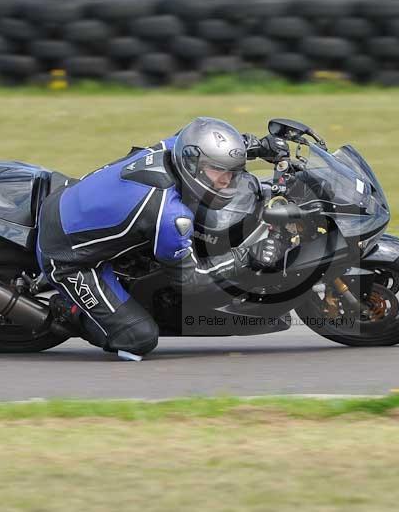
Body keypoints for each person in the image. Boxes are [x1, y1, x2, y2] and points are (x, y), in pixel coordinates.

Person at [35, 117, 287, 361]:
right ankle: (66, 311)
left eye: (231, 171)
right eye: (218, 171)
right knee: (137, 339)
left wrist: (254, 146)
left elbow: (202, 142)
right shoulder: (169, 216)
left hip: (71, 198)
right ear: (194, 166)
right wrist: (247, 256)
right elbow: (192, 280)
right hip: (67, 255)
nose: (227, 179)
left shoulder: (175, 147)